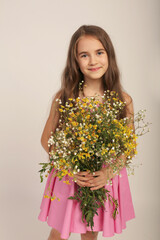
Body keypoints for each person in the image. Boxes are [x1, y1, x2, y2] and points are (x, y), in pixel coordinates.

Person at [38, 25, 135, 240]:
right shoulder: (64, 98)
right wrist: (69, 168)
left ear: (109, 54)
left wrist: (108, 173)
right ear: (76, 61)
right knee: (60, 230)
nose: (93, 61)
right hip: (70, 176)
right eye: (84, 55)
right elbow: (47, 140)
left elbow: (128, 148)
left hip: (101, 178)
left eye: (99, 52)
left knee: (91, 229)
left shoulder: (123, 101)